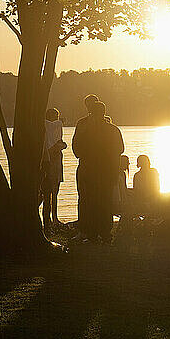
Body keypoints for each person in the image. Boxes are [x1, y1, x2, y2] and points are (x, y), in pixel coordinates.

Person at [73, 101, 124, 242]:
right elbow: (120, 149)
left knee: (90, 202)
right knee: (105, 202)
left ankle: (92, 233)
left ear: (92, 113)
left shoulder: (85, 130)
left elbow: (76, 150)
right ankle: (105, 232)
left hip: (89, 172)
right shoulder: (113, 130)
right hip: (106, 172)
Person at [72, 94, 100, 237]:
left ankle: (93, 228)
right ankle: (84, 227)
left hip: (97, 166)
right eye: (88, 105)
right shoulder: (82, 123)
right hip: (87, 164)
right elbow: (75, 144)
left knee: (95, 197)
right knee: (84, 196)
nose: (89, 107)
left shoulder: (103, 123)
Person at [41, 108, 67, 232]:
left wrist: (61, 145)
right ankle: (49, 220)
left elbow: (61, 143)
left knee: (53, 192)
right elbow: (55, 125)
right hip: (50, 164)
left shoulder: (51, 130)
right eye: (55, 116)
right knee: (48, 193)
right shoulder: (49, 126)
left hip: (56, 164)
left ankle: (54, 218)